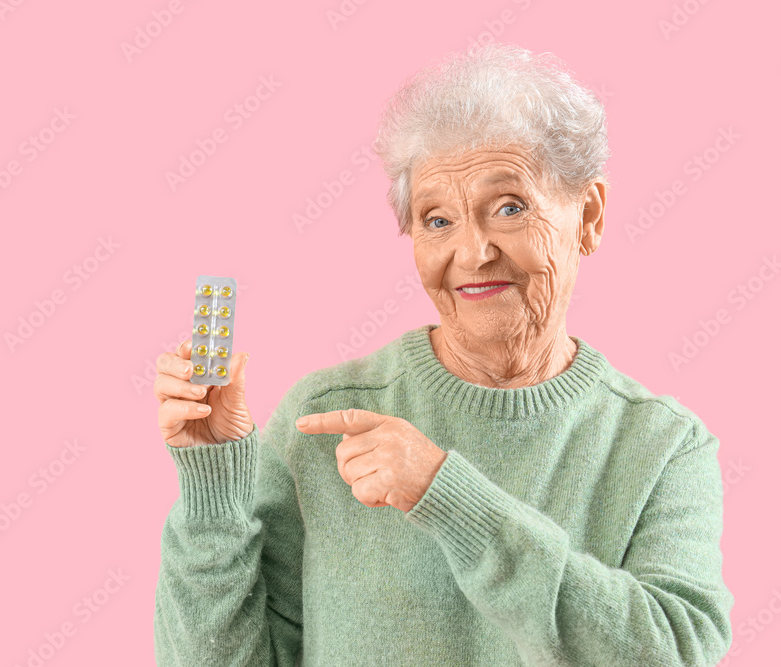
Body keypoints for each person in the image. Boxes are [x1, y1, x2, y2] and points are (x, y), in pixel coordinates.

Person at [152, 42, 734, 666]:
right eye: (437, 220)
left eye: (509, 208)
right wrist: (211, 484)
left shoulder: (662, 443)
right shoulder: (324, 420)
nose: (473, 251)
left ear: (587, 216)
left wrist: (448, 497)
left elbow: (676, 651)